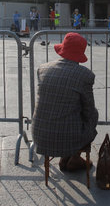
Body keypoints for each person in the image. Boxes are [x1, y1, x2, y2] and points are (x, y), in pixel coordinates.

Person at [32, 32, 98, 172]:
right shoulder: (85, 75)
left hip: (40, 134)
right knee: (93, 115)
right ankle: (74, 157)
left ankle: (68, 157)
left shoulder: (43, 69)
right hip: (67, 138)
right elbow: (89, 110)